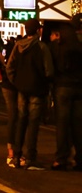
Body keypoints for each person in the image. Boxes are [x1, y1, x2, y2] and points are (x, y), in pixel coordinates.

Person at [7, 19, 53, 169]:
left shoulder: (17, 46)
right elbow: (49, 71)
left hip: (22, 89)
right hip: (37, 89)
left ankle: (17, 156)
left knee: (21, 120)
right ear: (38, 31)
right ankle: (30, 158)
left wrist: (17, 82)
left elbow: (10, 67)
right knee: (33, 123)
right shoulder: (41, 47)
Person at [47, 20, 82, 171]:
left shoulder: (56, 47)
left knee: (62, 124)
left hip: (62, 87)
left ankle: (61, 158)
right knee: (78, 125)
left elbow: (50, 67)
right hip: (79, 87)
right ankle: (80, 158)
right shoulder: (79, 46)